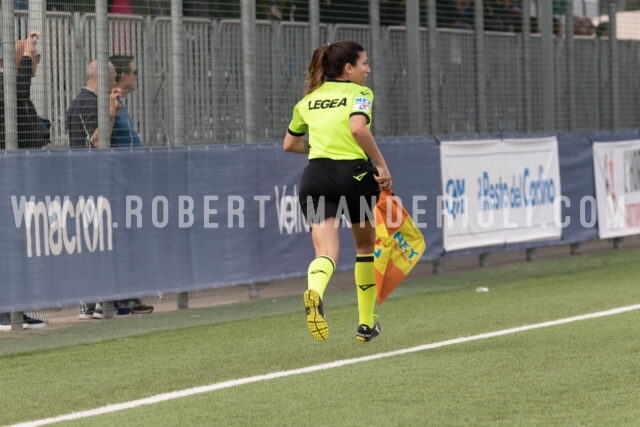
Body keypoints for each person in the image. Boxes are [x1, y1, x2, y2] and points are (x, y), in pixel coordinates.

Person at [283, 40, 392, 342]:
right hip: (354, 176)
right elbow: (358, 128)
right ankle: (366, 324)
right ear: (348, 68)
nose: (367, 70)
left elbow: (290, 144)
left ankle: (315, 291)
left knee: (325, 251)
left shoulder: (308, 100)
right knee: (364, 247)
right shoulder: (360, 93)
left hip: (315, 178)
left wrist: (318, 146)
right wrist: (381, 166)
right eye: (364, 63)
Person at [0, 32, 48, 150]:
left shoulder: (16, 85)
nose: (37, 62)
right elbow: (21, 93)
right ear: (21, 60)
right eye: (36, 56)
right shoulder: (5, 83)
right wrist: (27, 54)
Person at [66, 59, 122, 148]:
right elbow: (98, 141)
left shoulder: (78, 101)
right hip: (95, 160)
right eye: (113, 79)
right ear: (103, 78)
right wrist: (111, 114)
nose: (115, 84)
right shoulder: (91, 102)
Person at [108, 54, 142, 147]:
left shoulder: (118, 102)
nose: (136, 78)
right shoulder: (111, 103)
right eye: (135, 73)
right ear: (124, 76)